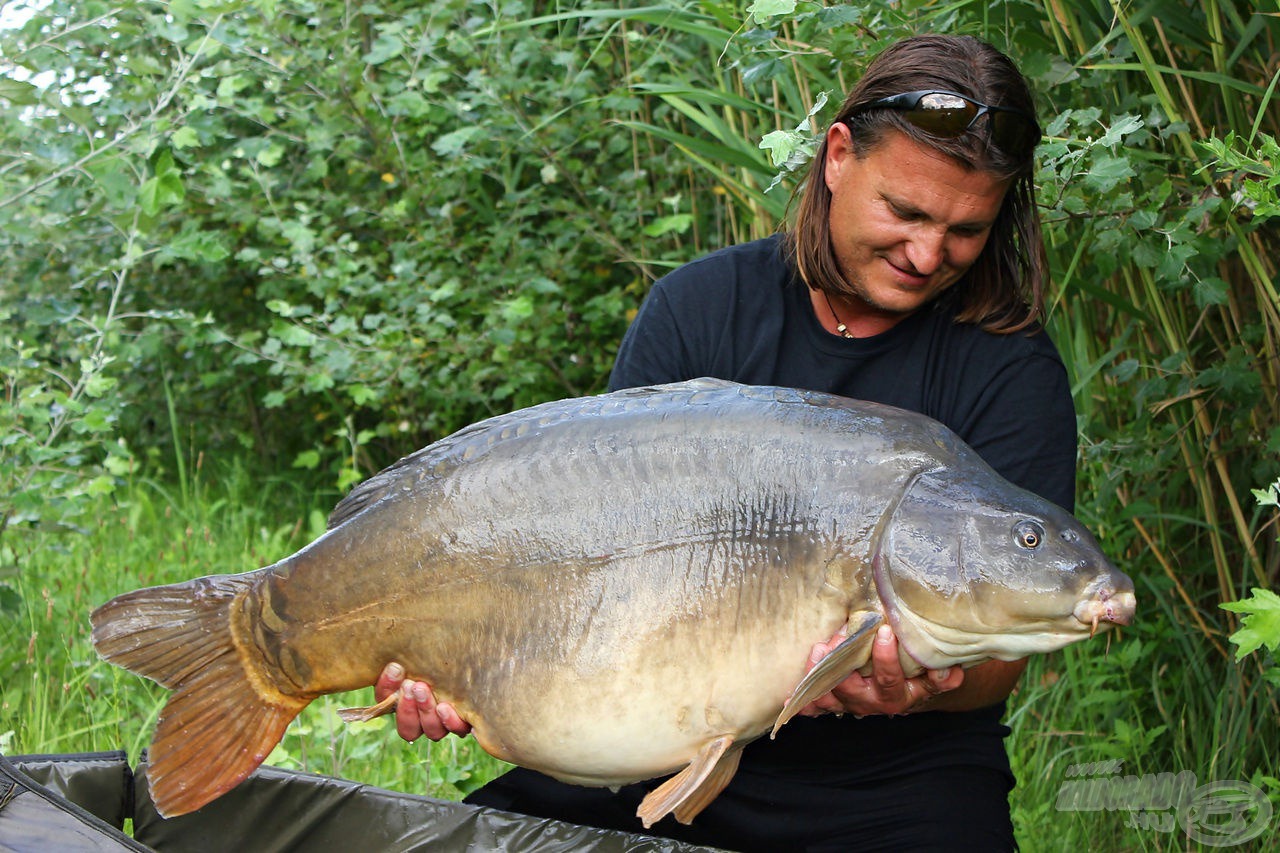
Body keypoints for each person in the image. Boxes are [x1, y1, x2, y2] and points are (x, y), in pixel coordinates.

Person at [376, 33, 1076, 851]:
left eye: (966, 230)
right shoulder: (698, 308)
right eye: (906, 211)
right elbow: (589, 561)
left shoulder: (1009, 367)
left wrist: (917, 691)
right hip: (653, 741)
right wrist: (474, 665)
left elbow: (1003, 658)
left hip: (896, 779)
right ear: (839, 156)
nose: (928, 254)